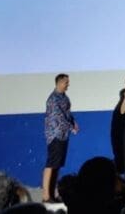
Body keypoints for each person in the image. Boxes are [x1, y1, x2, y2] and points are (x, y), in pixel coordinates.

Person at [43, 73, 80, 203]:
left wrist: (73, 122)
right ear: (59, 83)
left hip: (63, 135)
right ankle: (46, 196)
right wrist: (71, 127)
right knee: (51, 164)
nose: (68, 85)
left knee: (57, 165)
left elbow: (67, 113)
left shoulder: (64, 97)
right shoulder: (53, 99)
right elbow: (58, 117)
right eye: (66, 82)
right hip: (55, 135)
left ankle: (53, 194)